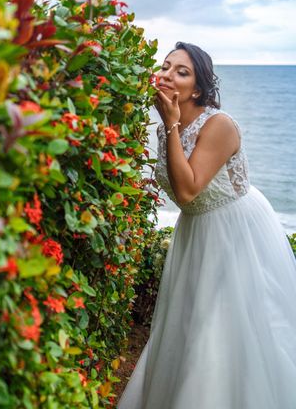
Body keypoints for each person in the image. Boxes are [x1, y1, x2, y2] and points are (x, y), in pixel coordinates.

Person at [117, 42, 296, 408]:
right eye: (165, 66)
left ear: (197, 88)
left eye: (181, 71)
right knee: (188, 326)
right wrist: (168, 126)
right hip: (195, 232)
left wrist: (169, 124)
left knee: (223, 332)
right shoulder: (169, 124)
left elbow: (186, 191)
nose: (167, 74)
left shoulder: (219, 125)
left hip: (234, 233)